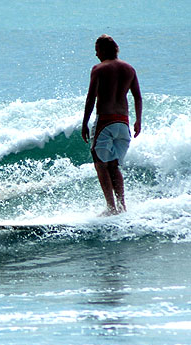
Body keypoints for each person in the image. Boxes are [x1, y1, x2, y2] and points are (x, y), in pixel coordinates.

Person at [82, 34, 142, 215]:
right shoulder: (129, 69)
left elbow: (91, 97)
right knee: (113, 166)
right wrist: (138, 121)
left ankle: (110, 207)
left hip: (105, 122)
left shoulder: (99, 69)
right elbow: (137, 96)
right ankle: (122, 206)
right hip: (123, 123)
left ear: (104, 50)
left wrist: (85, 123)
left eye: (97, 50)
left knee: (101, 165)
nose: (96, 54)